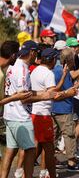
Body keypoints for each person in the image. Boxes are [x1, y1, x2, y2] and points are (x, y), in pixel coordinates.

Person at [1, 41, 55, 178]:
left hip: (10, 113)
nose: (36, 57)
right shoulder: (23, 69)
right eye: (36, 53)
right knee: (30, 150)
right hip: (20, 116)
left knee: (10, 151)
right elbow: (24, 98)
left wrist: (43, 94)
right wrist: (44, 96)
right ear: (31, 52)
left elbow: (24, 92)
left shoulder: (14, 66)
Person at [30, 48, 68, 178]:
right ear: (51, 60)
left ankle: (25, 172)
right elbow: (53, 95)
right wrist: (70, 92)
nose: (56, 61)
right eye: (56, 59)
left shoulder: (35, 70)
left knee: (36, 147)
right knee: (49, 150)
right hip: (43, 114)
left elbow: (50, 90)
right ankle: (49, 174)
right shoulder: (48, 73)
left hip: (35, 113)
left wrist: (63, 77)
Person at [52, 48, 79, 172]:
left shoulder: (56, 70)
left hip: (53, 108)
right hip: (63, 108)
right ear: (69, 60)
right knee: (70, 135)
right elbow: (70, 91)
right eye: (73, 59)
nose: (75, 61)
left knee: (53, 137)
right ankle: (71, 162)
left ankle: (51, 161)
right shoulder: (62, 72)